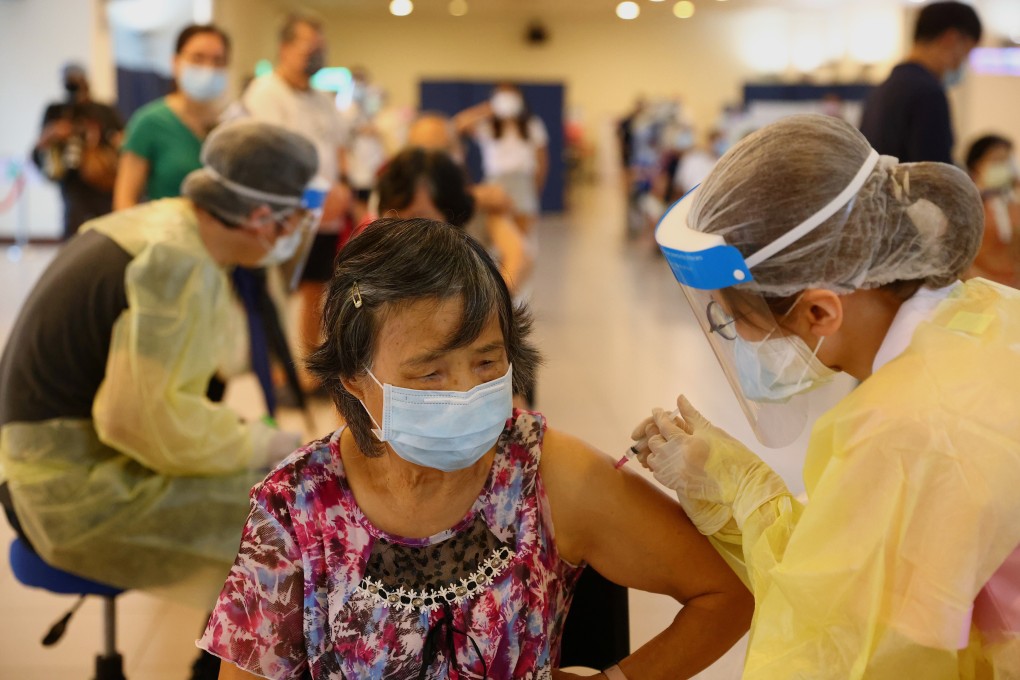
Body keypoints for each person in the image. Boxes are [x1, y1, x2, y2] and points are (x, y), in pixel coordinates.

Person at [200, 218, 753, 679]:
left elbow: (725, 594)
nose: (466, 391)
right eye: (430, 373)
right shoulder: (295, 507)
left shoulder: (546, 476)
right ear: (354, 380)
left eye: (487, 362)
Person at [639, 113, 1020, 678]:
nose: (738, 339)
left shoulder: (907, 429)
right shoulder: (988, 315)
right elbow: (868, 558)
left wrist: (746, 488)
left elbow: (839, 643)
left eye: (739, 319)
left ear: (820, 309)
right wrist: (736, 491)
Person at [0, 121, 319, 616]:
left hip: (58, 463)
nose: (293, 236)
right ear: (260, 217)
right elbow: (145, 423)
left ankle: (223, 655)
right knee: (293, 519)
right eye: (293, 221)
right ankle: (229, 663)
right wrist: (262, 443)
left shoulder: (166, 223)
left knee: (272, 485)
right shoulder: (175, 261)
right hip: (66, 495)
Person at [242, 13, 352, 391]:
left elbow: (338, 150)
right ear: (286, 48)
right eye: (310, 46)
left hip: (327, 214)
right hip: (286, 210)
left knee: (317, 290)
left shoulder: (322, 100)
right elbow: (272, 157)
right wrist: (318, 194)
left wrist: (344, 188)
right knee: (281, 290)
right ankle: (280, 371)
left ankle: (308, 371)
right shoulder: (265, 93)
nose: (317, 54)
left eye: (321, 47)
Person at [113, 24, 230, 209]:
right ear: (176, 62)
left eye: (218, 60)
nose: (208, 68)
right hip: (165, 234)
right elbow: (124, 202)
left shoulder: (231, 126)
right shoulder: (149, 122)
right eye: (198, 58)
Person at [859, 1, 982, 164]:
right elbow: (935, 176)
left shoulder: (884, 88)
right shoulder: (928, 94)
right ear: (951, 39)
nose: (962, 62)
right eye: (966, 51)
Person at [31, 63, 123, 238]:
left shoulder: (103, 110)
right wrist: (55, 132)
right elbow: (39, 147)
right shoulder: (57, 111)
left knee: (104, 230)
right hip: (72, 181)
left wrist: (96, 136)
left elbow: (121, 139)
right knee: (74, 229)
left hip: (103, 180)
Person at [455, 83, 549, 237]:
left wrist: (536, 188)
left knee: (522, 236)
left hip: (523, 182)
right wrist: (486, 110)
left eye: (511, 97)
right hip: (496, 182)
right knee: (494, 235)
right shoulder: (487, 127)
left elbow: (542, 160)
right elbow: (458, 124)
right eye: (502, 97)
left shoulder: (532, 125)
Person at [964, 134, 1020, 287]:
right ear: (976, 164)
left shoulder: (1012, 205)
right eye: (996, 160)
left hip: (1011, 294)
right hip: (978, 289)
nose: (1003, 165)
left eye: (1006, 160)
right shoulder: (968, 205)